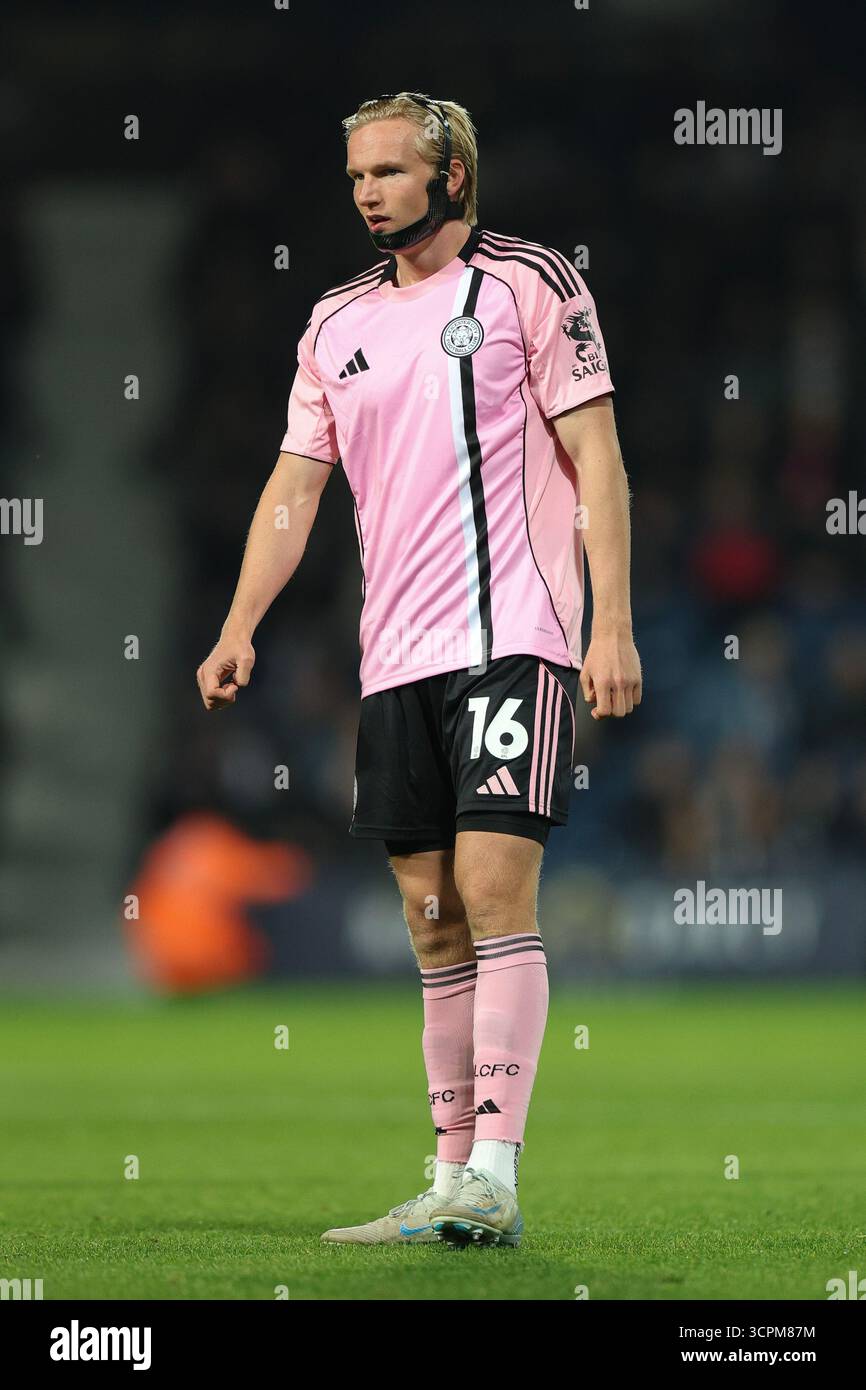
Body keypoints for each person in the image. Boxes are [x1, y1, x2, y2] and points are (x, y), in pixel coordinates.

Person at [196, 91, 641, 1248]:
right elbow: (295, 491)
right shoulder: (332, 320)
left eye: (390, 172)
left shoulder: (530, 285)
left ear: (449, 177)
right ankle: (447, 1180)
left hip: (514, 640)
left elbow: (596, 458)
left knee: (495, 897)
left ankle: (496, 1170)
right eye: (355, 177)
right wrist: (240, 619)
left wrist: (611, 625)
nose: (367, 193)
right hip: (394, 661)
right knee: (431, 918)